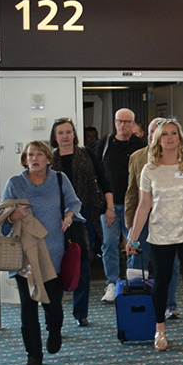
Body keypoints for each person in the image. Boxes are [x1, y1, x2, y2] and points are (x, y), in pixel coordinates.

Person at [126, 118, 183, 357]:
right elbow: (143, 206)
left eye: (174, 133)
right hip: (160, 235)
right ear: (158, 140)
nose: (170, 138)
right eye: (165, 135)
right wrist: (132, 238)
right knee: (161, 283)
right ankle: (160, 331)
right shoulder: (149, 169)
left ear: (180, 138)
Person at [1, 141, 84, 365]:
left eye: (39, 154)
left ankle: (54, 330)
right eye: (30, 155)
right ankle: (33, 355)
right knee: (28, 306)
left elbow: (74, 202)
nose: (34, 158)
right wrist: (12, 216)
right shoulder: (15, 183)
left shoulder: (59, 179)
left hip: (54, 253)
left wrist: (68, 216)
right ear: (25, 160)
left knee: (53, 305)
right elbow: (2, 219)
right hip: (24, 255)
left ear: (48, 158)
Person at [50, 117, 114, 326]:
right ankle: (55, 312)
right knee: (56, 264)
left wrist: (110, 207)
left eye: (68, 132)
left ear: (74, 135)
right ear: (55, 137)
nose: (65, 136)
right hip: (56, 217)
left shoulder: (87, 154)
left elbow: (103, 181)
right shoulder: (50, 160)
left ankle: (81, 313)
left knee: (82, 263)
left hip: (85, 215)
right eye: (61, 133)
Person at [125, 117, 181, 320]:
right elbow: (131, 192)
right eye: (151, 131)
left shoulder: (180, 159)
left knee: (170, 264)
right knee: (137, 260)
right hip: (142, 220)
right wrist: (130, 223)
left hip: (169, 221)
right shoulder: (137, 157)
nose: (153, 135)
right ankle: (137, 300)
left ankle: (169, 304)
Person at [95, 108, 148, 303]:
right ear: (115, 122)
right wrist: (105, 205)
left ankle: (132, 282)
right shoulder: (105, 143)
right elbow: (98, 175)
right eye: (120, 121)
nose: (123, 125)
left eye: (127, 122)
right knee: (108, 244)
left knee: (133, 244)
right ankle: (112, 282)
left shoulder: (141, 147)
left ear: (133, 124)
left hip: (133, 206)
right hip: (109, 205)